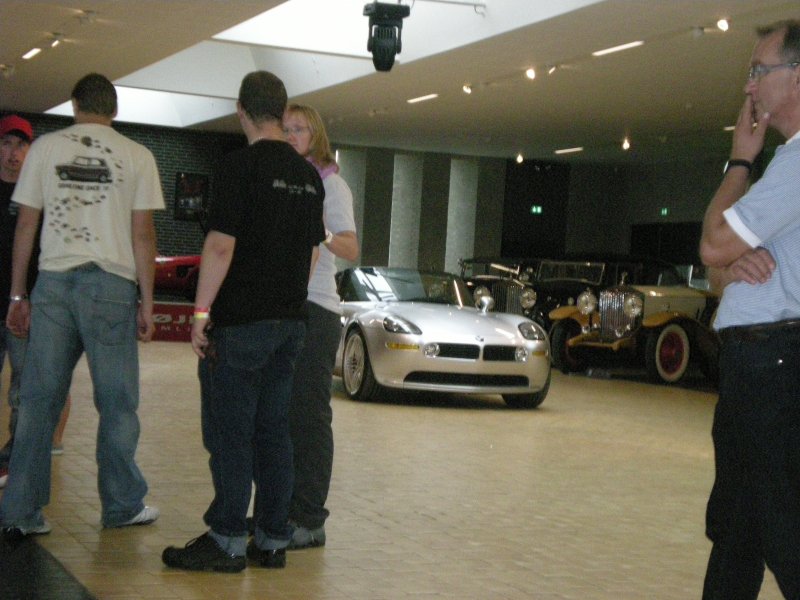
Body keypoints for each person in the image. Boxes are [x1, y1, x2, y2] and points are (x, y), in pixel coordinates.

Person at [161, 71, 325, 573]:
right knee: (274, 432)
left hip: (241, 324)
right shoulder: (308, 177)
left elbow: (219, 246)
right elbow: (313, 252)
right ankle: (272, 539)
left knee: (231, 433)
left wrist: (200, 313)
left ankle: (227, 539)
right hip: (290, 323)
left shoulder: (239, 167)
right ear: (281, 110)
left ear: (241, 111)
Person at [0, 73, 164, 537]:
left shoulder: (45, 149)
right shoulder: (137, 155)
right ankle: (121, 505)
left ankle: (20, 512)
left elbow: (26, 226)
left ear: (75, 106)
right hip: (111, 287)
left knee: (38, 402)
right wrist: (147, 302)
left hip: (52, 285)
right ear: (115, 109)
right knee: (117, 403)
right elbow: (143, 235)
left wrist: (18, 294)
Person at [698, 20, 800, 599]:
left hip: (773, 366)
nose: (750, 86)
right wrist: (732, 264)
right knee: (736, 533)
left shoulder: (796, 164)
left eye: (761, 71)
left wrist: (740, 160)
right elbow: (718, 269)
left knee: (783, 533)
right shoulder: (787, 164)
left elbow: (713, 243)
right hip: (757, 363)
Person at [282, 104, 359, 549]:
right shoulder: (286, 182)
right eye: (286, 129)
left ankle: (309, 518)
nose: (292, 135)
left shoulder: (331, 185)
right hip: (285, 306)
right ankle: (281, 509)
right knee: (281, 416)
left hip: (316, 310)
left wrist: (322, 233)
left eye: (300, 129)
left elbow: (350, 246)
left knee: (308, 417)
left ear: (316, 135)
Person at [0, 115, 72, 490]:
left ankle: (14, 459)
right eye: (6, 144)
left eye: (21, 145)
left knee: (24, 389)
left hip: (24, 309)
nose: (13, 153)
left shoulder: (41, 196)